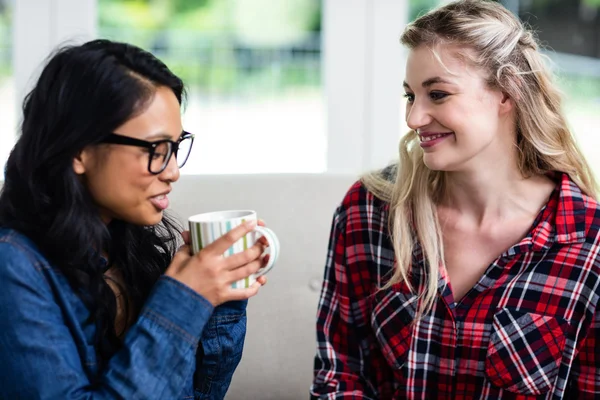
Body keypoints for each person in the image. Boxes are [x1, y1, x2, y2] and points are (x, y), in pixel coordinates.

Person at [311, 0, 600, 398]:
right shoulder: (369, 210)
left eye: (438, 94)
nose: (414, 119)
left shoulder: (588, 241)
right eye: (410, 96)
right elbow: (338, 378)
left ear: (506, 93)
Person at [0, 39, 268, 399]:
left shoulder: (129, 246)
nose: (173, 172)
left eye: (175, 147)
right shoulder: (13, 265)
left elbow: (201, 395)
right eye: (156, 150)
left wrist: (218, 296)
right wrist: (185, 299)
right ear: (79, 150)